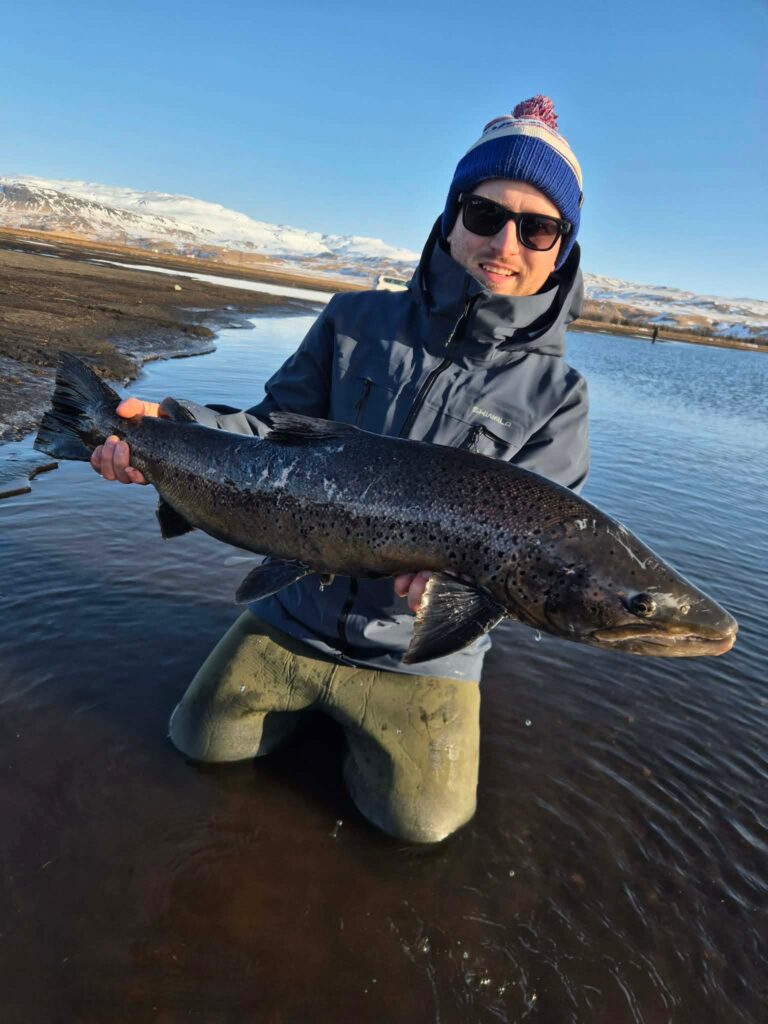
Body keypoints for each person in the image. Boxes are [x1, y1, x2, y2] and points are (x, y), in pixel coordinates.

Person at [92, 95, 589, 843]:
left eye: (537, 227)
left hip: (418, 656)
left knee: (422, 825)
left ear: (562, 248)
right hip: (293, 609)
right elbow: (265, 433)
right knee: (199, 744)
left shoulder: (560, 398)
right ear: (452, 216)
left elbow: (545, 562)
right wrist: (169, 429)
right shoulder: (353, 321)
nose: (505, 242)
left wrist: (463, 590)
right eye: (485, 213)